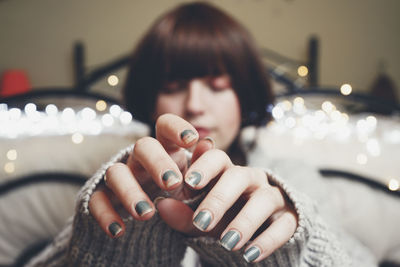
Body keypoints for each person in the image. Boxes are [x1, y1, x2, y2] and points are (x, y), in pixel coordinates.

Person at [27, 2, 399, 266]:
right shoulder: (113, 187)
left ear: (244, 95)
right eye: (173, 85)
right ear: (149, 99)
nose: (195, 105)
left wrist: (294, 252)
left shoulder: (293, 179)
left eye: (218, 86)